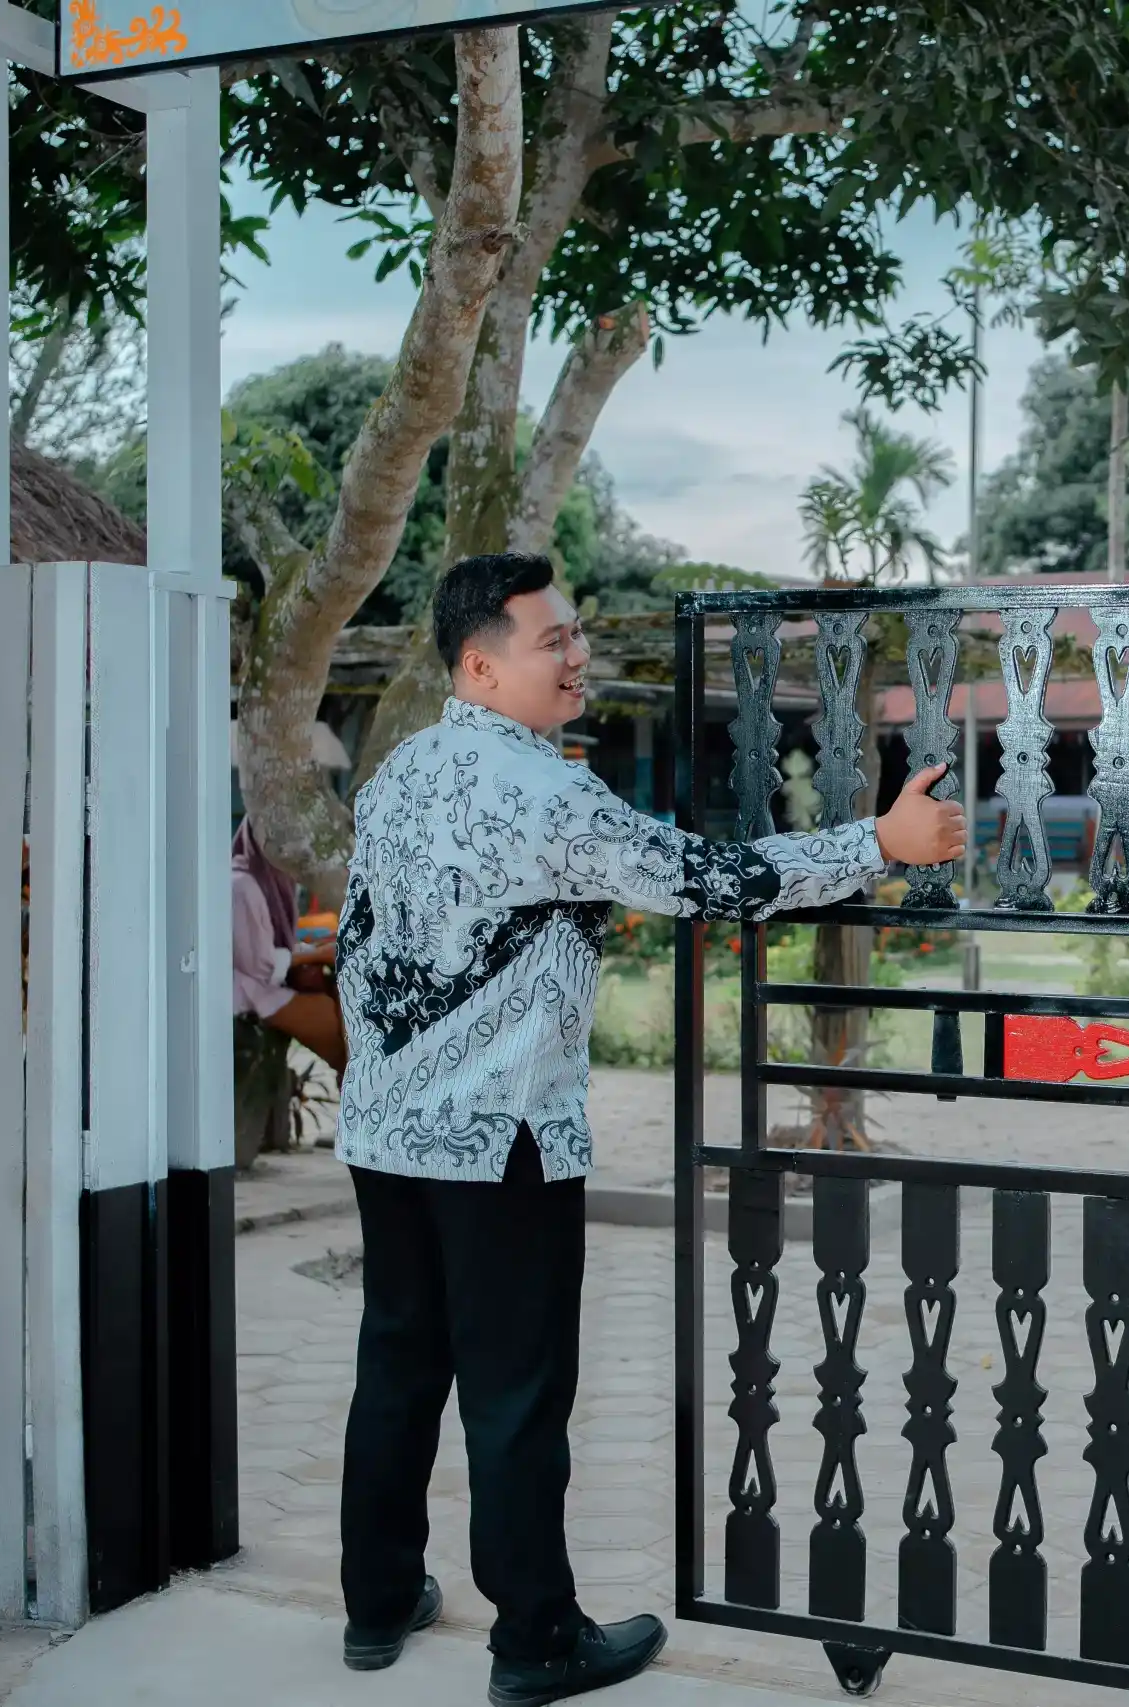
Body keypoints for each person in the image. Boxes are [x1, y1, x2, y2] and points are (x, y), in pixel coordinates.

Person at [332, 552, 964, 1705]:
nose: (578, 656)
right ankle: (536, 1640)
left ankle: (376, 1604)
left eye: (576, 633)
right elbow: (712, 879)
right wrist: (878, 843)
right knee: (515, 1397)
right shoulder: (545, 794)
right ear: (479, 665)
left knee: (398, 1368)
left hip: (387, 1131)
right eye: (552, 642)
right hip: (501, 1139)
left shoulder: (398, 774)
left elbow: (364, 948)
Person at [231, 820, 348, 1075]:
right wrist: (317, 954)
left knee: (334, 994)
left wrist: (317, 949)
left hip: (266, 983)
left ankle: (353, 1079)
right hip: (250, 991)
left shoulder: (273, 879)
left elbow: (275, 944)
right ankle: (355, 1081)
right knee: (328, 1018)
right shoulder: (242, 886)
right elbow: (260, 968)